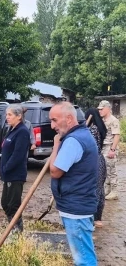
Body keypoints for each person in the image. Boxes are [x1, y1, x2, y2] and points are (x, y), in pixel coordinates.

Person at [49, 102, 98, 266]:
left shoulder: (73, 141)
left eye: (55, 120)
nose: (52, 125)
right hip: (78, 205)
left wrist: (56, 145)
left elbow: (55, 171)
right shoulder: (82, 135)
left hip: (76, 209)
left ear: (69, 118)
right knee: (83, 255)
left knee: (83, 259)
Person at [0, 104, 30, 232]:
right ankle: (12, 227)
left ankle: (17, 230)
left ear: (19, 116)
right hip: (7, 174)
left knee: (13, 205)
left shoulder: (22, 131)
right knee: (5, 203)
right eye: (7, 114)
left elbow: (18, 154)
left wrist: (6, 168)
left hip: (15, 174)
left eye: (10, 115)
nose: (7, 117)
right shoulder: (12, 129)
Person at [85, 108, 107, 228]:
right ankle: (98, 218)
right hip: (100, 159)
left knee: (95, 190)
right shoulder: (100, 128)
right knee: (100, 190)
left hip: (94, 160)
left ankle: (92, 218)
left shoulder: (92, 129)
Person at [98, 100, 120, 200]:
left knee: (111, 170)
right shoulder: (102, 120)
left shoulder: (113, 120)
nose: (100, 111)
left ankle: (114, 191)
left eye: (102, 109)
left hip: (110, 147)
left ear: (107, 108)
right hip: (103, 147)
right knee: (105, 170)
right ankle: (108, 189)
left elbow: (116, 135)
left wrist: (112, 149)